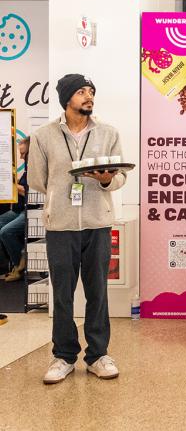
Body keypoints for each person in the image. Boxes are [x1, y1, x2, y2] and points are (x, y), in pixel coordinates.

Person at [28, 74, 126, 384]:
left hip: (98, 223)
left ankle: (98, 355)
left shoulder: (108, 133)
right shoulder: (43, 136)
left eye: (91, 91)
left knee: (98, 292)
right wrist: (60, 194)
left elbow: (120, 176)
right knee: (62, 294)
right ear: (66, 98)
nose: (89, 96)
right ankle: (63, 356)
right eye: (81, 91)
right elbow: (37, 180)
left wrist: (107, 180)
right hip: (60, 225)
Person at [1, 137, 30, 283]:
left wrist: (10, 183)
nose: (21, 157)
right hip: (18, 210)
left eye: (23, 153)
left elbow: (27, 192)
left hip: (29, 211)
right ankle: (11, 263)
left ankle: (20, 266)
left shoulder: (36, 168)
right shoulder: (26, 168)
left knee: (6, 232)